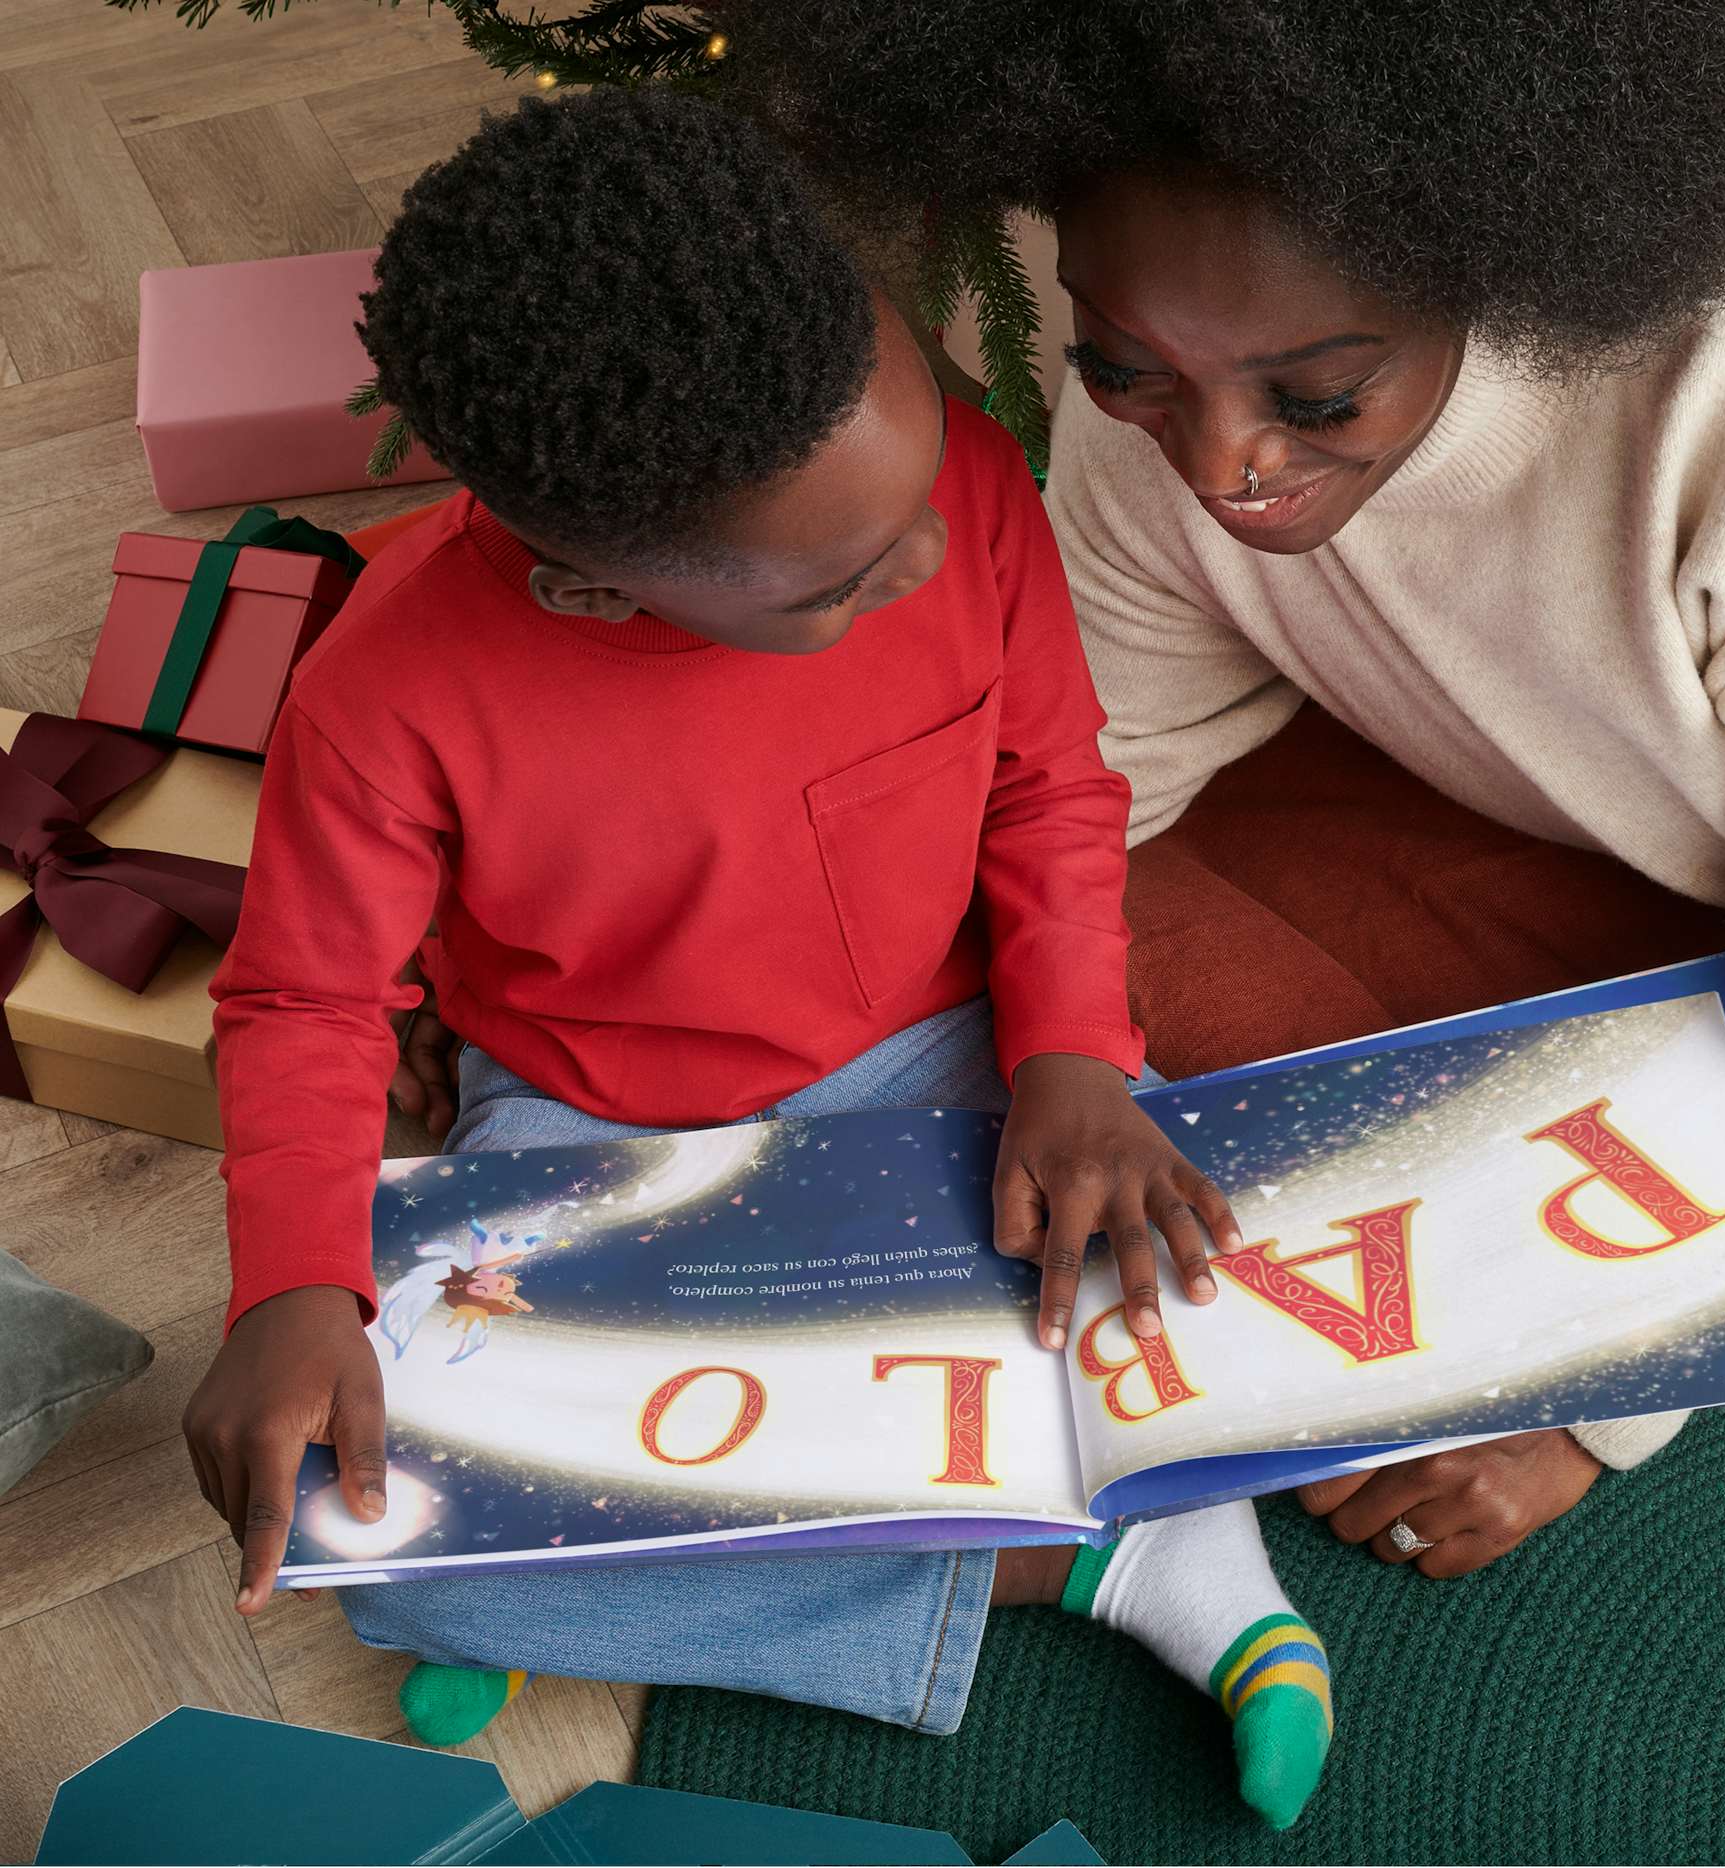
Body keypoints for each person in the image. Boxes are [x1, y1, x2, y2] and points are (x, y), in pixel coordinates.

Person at [182, 87, 1335, 1831]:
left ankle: (1107, 1545)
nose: (940, 550)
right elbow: (305, 999)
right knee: (386, 1543)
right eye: (845, 586)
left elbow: (1050, 795)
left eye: (929, 469)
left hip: (943, 1049)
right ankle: (1087, 1562)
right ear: (586, 582)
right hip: (585, 1121)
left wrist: (1074, 1060)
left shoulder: (950, 470)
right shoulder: (384, 687)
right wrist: (289, 1290)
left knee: (1182, 1274)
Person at [711, 0, 1725, 1572]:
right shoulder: (1152, 413)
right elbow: (1078, 778)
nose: (1221, 467)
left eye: (1318, 397)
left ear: (1497, 265)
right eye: (1132, 369)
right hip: (1675, 830)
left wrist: (1593, 1397)